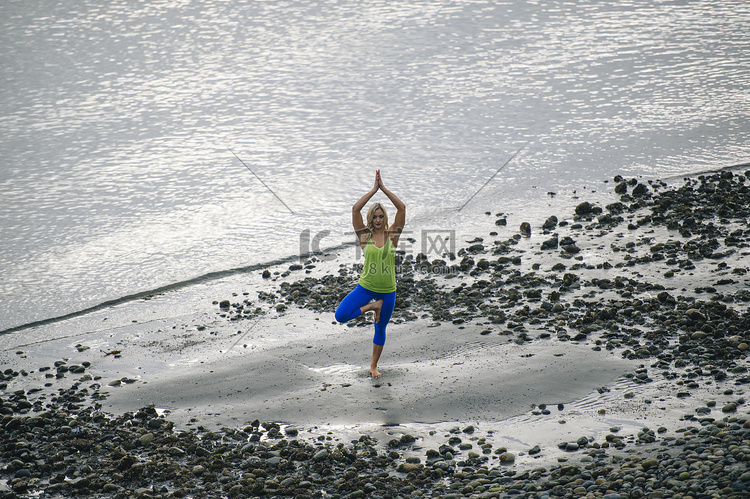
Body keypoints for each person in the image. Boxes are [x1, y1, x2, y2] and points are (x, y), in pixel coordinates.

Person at [335, 170, 406, 378]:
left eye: (381, 216)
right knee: (341, 316)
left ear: (385, 218)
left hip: (388, 290)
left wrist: (384, 189)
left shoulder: (393, 234)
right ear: (370, 219)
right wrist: (373, 191)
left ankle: (373, 366)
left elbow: (401, 207)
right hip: (365, 288)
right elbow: (355, 209)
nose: (377, 219)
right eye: (374, 216)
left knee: (380, 328)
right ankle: (372, 307)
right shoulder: (364, 236)